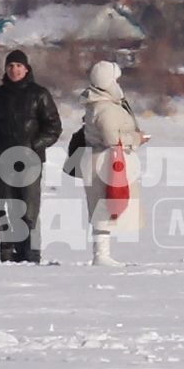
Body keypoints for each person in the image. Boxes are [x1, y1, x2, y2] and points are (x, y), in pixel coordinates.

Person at [0, 49, 62, 263]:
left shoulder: (39, 94)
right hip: (4, 161)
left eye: (18, 66)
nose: (14, 70)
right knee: (7, 208)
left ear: (26, 69)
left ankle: (31, 254)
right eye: (10, 66)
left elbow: (53, 127)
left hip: (30, 161)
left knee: (29, 211)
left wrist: (33, 145)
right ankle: (8, 255)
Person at [79, 60, 146, 267]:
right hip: (106, 161)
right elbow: (111, 139)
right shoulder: (106, 108)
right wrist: (136, 139)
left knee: (104, 205)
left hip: (101, 159)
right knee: (105, 205)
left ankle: (102, 253)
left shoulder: (99, 103)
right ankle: (101, 254)